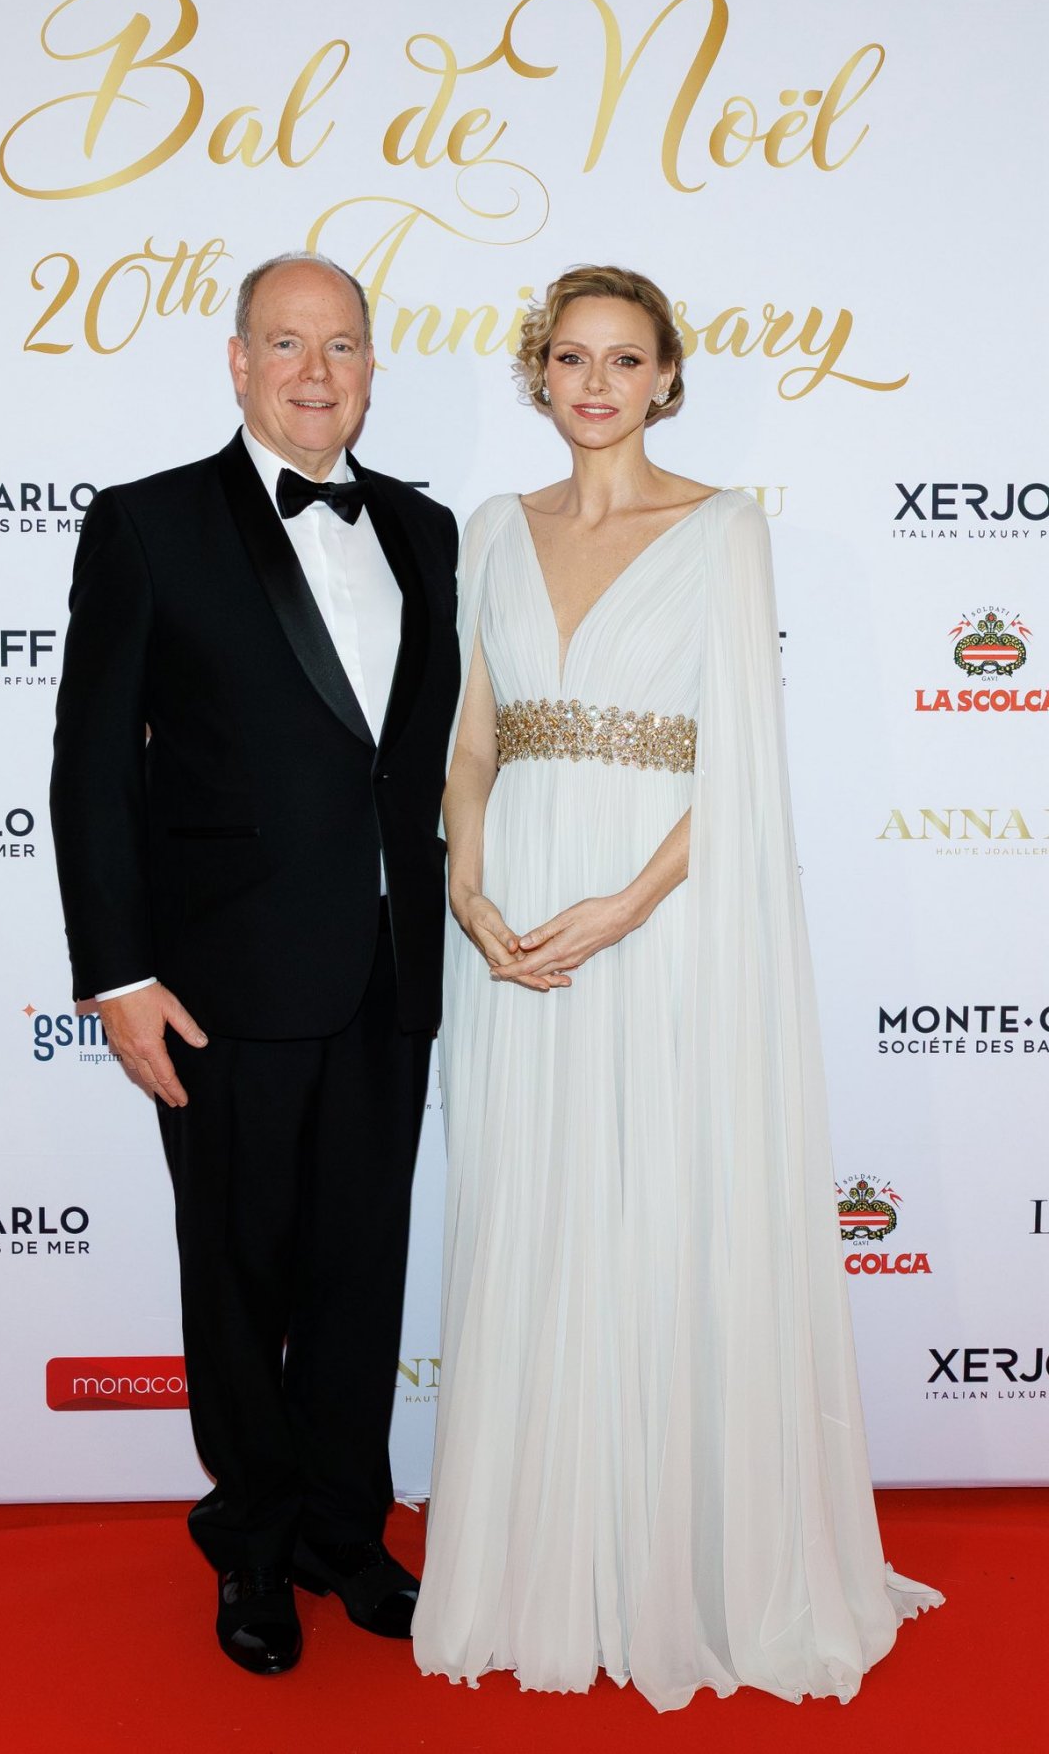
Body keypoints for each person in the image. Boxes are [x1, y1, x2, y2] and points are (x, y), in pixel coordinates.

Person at [412, 264, 942, 1707]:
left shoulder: (723, 532)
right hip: (511, 912)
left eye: (624, 359)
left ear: (665, 376)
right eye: (571, 358)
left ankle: (676, 1561)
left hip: (662, 915)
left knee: (657, 1204)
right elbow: (470, 742)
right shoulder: (486, 534)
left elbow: (744, 775)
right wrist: (466, 883)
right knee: (533, 1206)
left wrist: (626, 906)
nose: (596, 383)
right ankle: (538, 1557)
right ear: (537, 374)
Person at [50, 252, 459, 1676]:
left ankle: (350, 1530)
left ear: (369, 366)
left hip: (391, 980)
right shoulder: (149, 525)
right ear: (236, 361)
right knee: (237, 1281)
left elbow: (421, 756)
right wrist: (118, 975)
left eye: (341, 345)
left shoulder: (426, 528)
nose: (313, 372)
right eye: (284, 343)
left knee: (363, 1268)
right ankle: (255, 1541)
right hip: (219, 989)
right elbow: (93, 771)